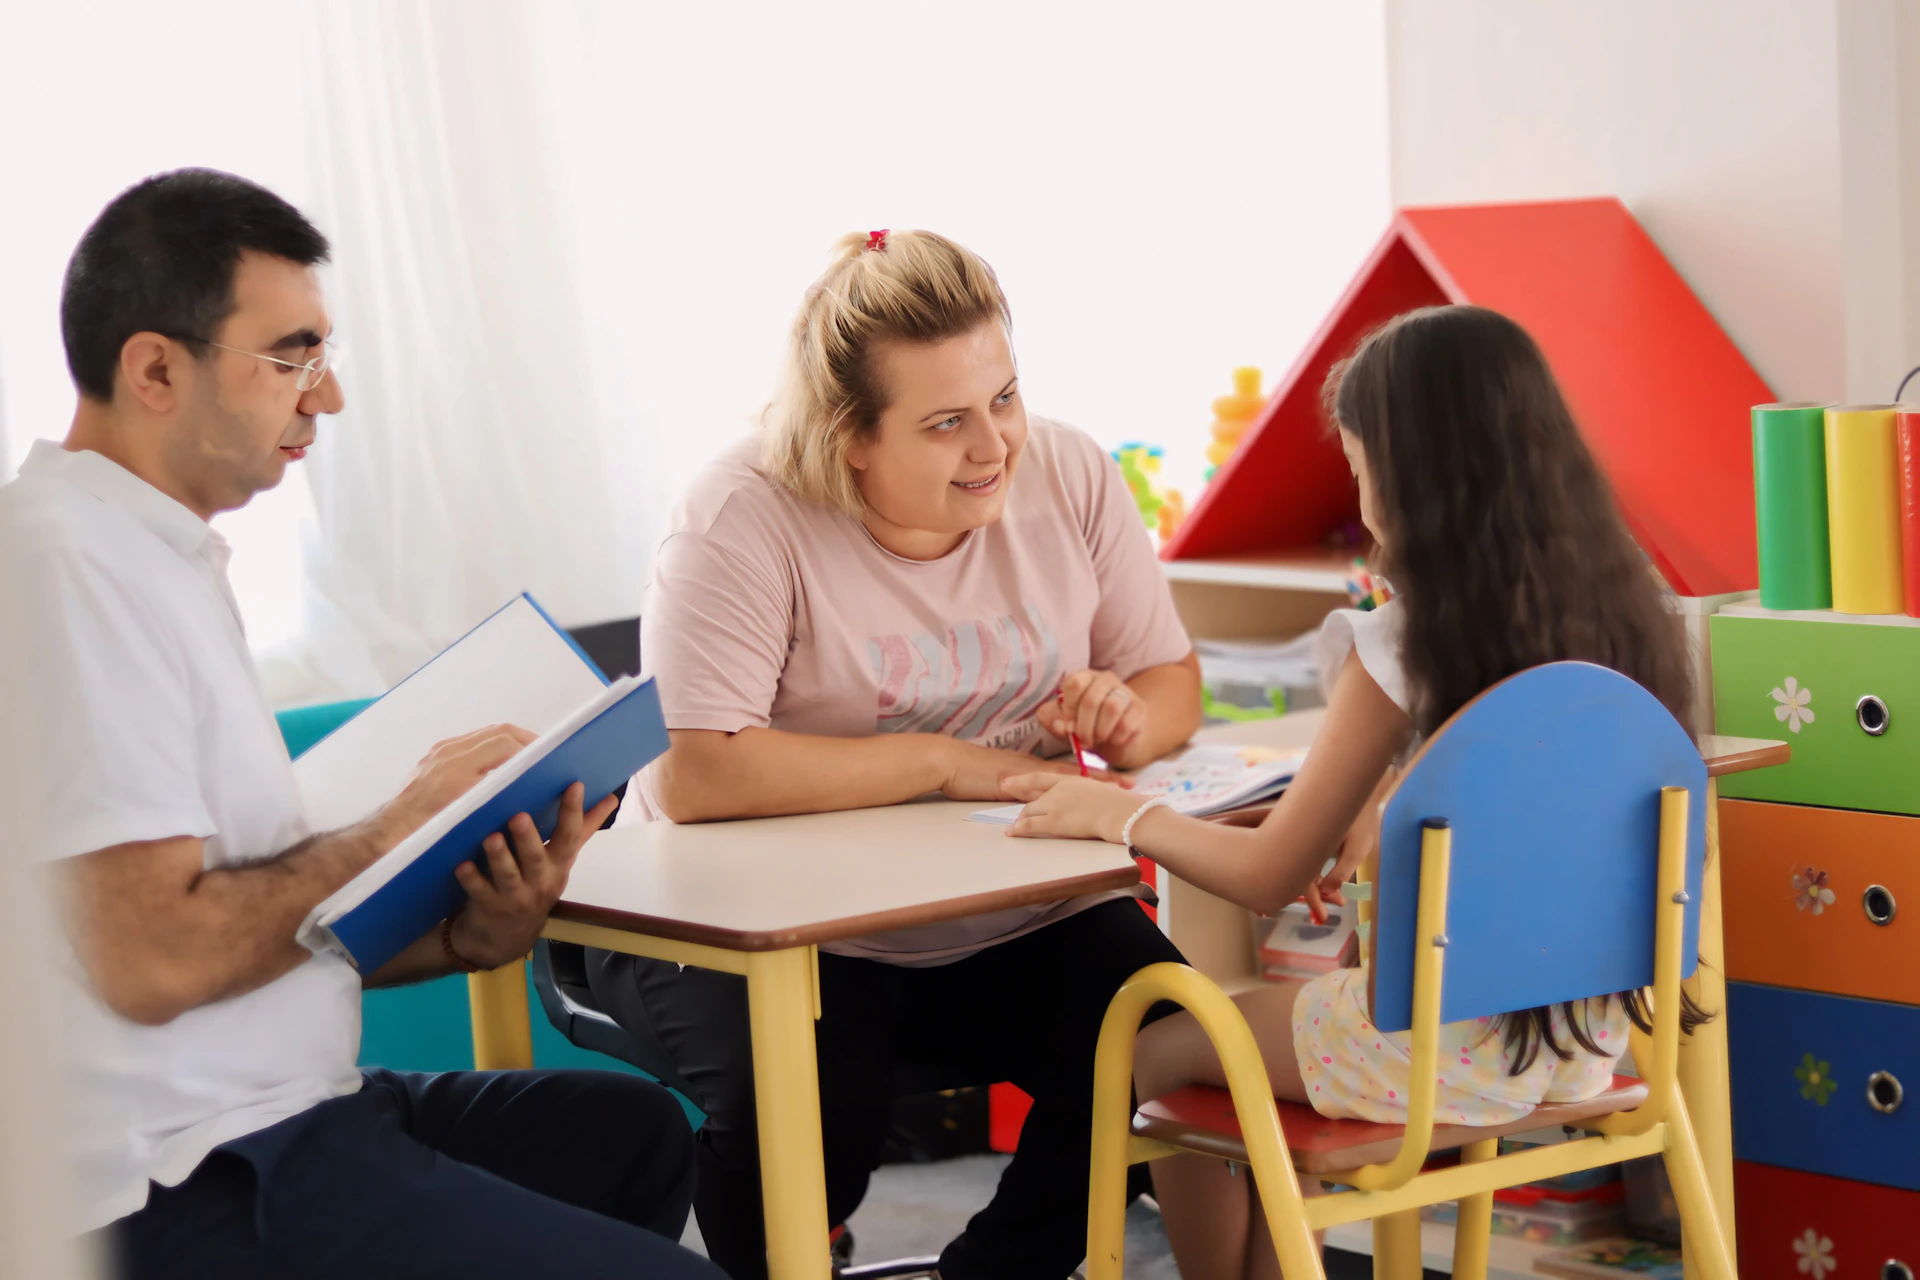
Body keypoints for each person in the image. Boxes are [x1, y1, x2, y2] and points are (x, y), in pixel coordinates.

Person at [0, 169, 722, 1280]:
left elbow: (229, 917)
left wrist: (459, 938)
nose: (324, 398)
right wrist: (398, 825)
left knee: (629, 1138)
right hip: (183, 1172)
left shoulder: (153, 554)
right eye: (291, 356)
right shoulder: (68, 572)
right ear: (154, 368)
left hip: (284, 1103)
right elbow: (152, 957)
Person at [1005, 305, 1703, 1280]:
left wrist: (1122, 813)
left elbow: (1265, 875)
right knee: (1250, 1049)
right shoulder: (1630, 613)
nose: (1362, 492)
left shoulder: (1404, 640)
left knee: (1158, 1041)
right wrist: (1388, 798)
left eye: (1362, 466)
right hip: (1582, 1042)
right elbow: (1526, 790)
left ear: (1414, 475)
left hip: (1435, 1049)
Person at [586, 229, 1201, 1280]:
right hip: (751, 923)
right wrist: (945, 760)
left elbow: (1168, 681)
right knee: (815, 1124)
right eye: (947, 421)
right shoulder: (742, 511)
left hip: (994, 903)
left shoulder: (1068, 471)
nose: (996, 445)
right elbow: (701, 773)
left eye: (1004, 397)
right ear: (850, 436)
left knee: (1173, 1052)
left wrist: (1126, 719)